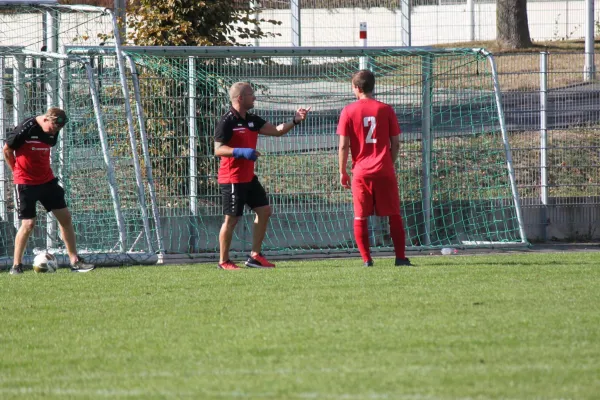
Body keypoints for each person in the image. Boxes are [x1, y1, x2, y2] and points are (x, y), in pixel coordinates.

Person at [214, 82, 311, 270]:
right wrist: (241, 152)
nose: (255, 97)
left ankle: (255, 257)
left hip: (249, 177)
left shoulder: (252, 119)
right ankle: (223, 261)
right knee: (231, 219)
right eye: (251, 94)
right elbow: (218, 150)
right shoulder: (227, 121)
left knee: (264, 210)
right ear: (240, 98)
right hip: (232, 178)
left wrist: (295, 120)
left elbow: (277, 131)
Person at [3, 107, 95, 274]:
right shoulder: (26, 128)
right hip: (26, 182)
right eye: (53, 128)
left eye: (58, 129)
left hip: (47, 180)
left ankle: (75, 261)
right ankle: (16, 266)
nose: (54, 132)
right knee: (28, 224)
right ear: (45, 119)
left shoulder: (53, 131)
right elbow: (7, 150)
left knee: (65, 218)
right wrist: (16, 171)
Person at [337, 70, 412, 267]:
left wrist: (342, 171)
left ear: (357, 88)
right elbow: (395, 143)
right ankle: (400, 258)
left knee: (360, 215)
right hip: (384, 169)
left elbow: (344, 145)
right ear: (373, 86)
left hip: (361, 172)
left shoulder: (348, 111)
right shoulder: (386, 109)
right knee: (394, 214)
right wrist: (389, 163)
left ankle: (367, 260)